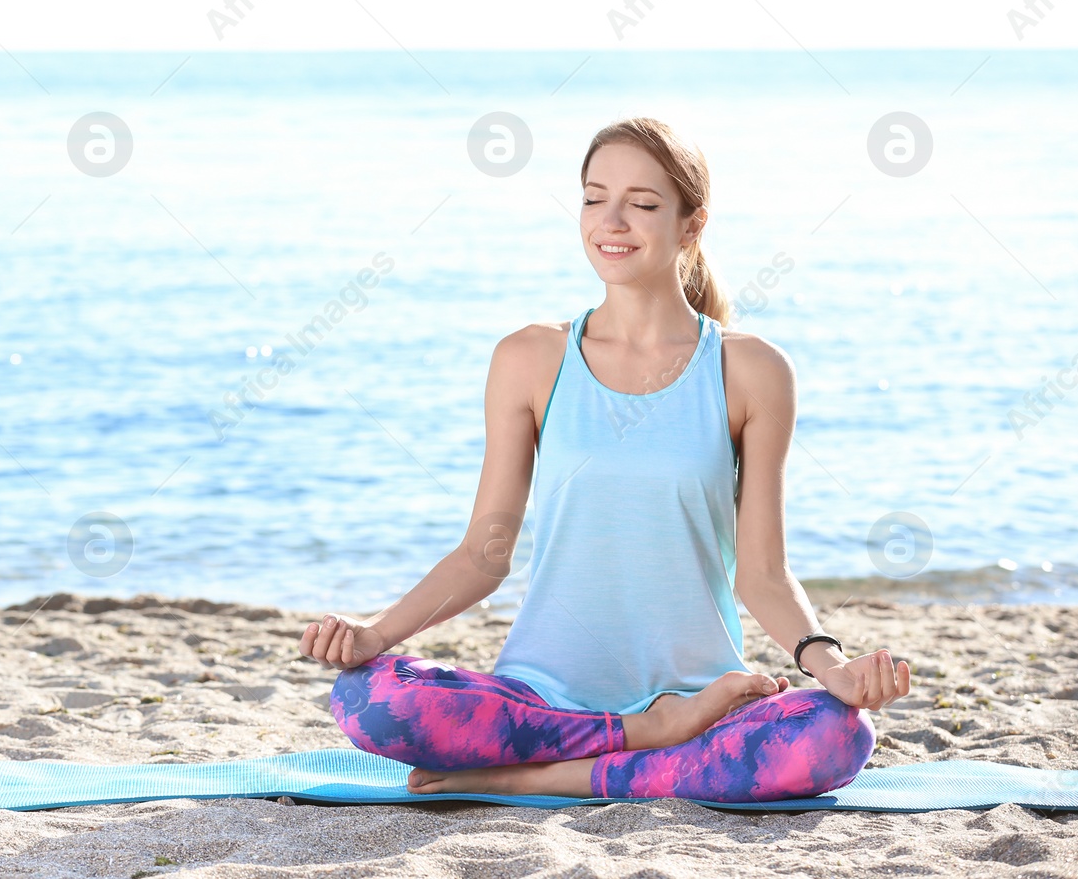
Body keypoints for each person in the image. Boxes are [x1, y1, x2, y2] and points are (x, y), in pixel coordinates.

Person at [298, 117, 910, 803]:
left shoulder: (751, 370)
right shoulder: (530, 358)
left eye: (643, 203)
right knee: (369, 699)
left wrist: (832, 666)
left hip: (699, 694)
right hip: (544, 697)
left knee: (839, 734)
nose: (611, 220)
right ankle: (641, 736)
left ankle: (529, 774)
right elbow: (484, 554)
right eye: (594, 197)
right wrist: (373, 631)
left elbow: (763, 572)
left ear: (690, 224)